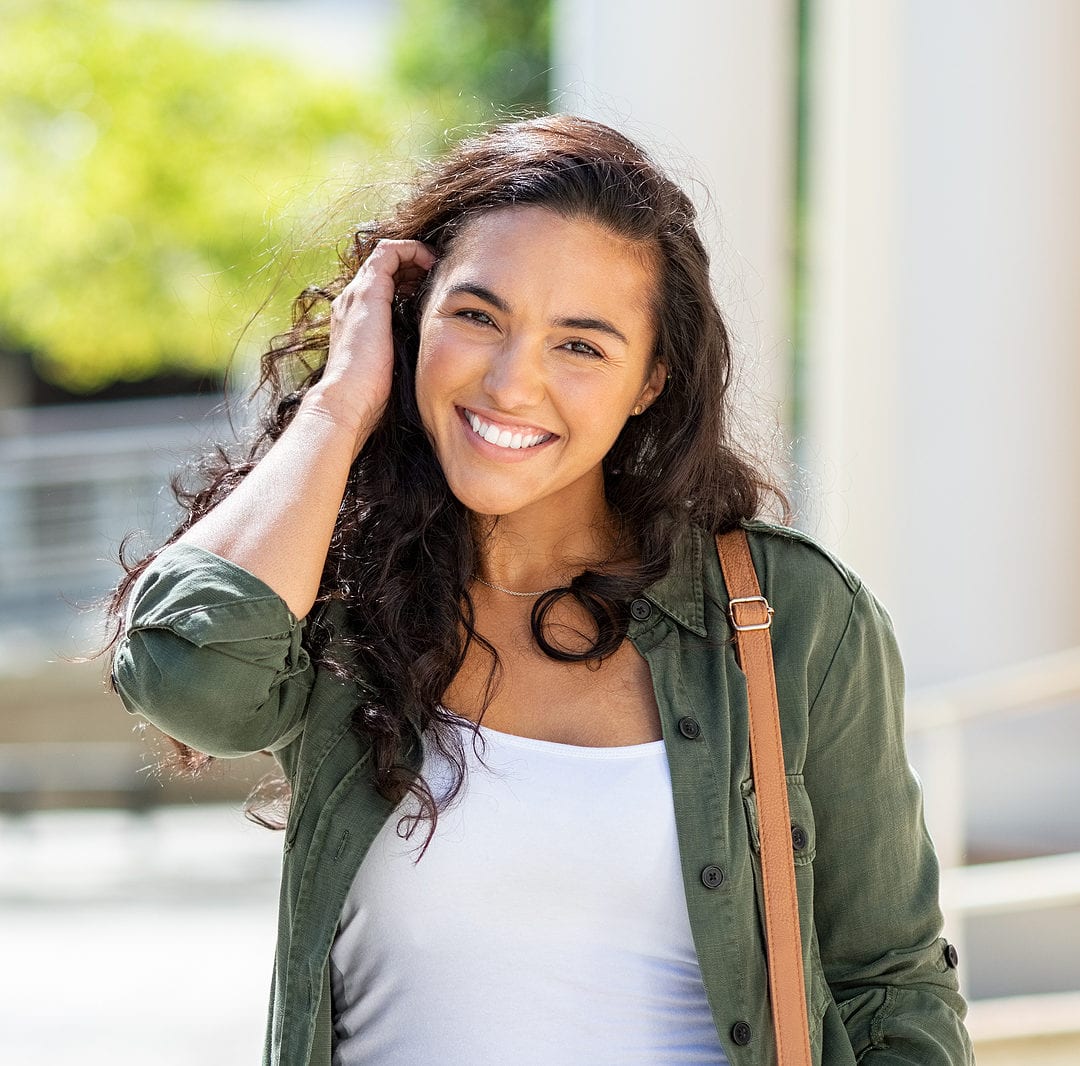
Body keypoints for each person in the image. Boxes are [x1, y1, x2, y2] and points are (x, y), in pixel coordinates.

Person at [108, 115, 974, 1065]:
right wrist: (340, 403)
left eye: (582, 346)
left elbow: (890, 985)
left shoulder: (789, 614)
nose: (513, 384)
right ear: (411, 320)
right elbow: (187, 683)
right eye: (476, 316)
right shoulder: (338, 591)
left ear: (652, 381)